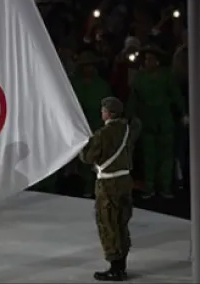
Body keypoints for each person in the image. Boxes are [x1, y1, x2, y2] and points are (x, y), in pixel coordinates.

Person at [80, 97, 142, 282]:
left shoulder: (102, 134)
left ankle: (115, 268)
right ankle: (121, 263)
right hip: (125, 180)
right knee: (122, 222)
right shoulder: (128, 129)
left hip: (108, 184)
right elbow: (137, 124)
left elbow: (88, 158)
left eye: (103, 110)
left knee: (108, 223)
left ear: (107, 112)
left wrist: (83, 148)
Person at [126, 44, 186, 199]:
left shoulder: (167, 76)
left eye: (151, 59)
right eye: (146, 59)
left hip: (165, 119)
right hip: (147, 120)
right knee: (149, 156)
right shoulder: (140, 77)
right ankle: (150, 187)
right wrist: (130, 116)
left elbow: (176, 95)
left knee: (166, 155)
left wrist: (184, 113)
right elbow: (134, 98)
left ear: (158, 61)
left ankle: (165, 186)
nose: (148, 62)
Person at [70, 51, 114, 197]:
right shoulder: (74, 84)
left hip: (97, 124)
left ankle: (98, 186)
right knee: (84, 157)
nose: (88, 69)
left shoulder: (101, 85)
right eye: (85, 66)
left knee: (99, 156)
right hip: (81, 124)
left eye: (90, 66)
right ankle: (87, 186)